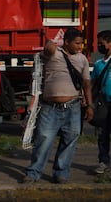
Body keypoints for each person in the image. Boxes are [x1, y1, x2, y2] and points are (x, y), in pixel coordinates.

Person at [22, 28, 93, 184]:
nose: (79, 47)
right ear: (66, 42)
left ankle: (61, 173)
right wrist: (49, 45)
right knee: (44, 139)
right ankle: (33, 172)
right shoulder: (53, 53)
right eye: (77, 43)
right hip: (50, 108)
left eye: (81, 44)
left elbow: (87, 84)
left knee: (70, 140)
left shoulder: (82, 59)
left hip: (73, 107)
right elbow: (46, 50)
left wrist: (89, 105)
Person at [91, 30, 111, 174]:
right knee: (103, 136)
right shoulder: (98, 64)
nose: (99, 46)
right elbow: (92, 84)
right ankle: (104, 162)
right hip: (104, 105)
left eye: (102, 43)